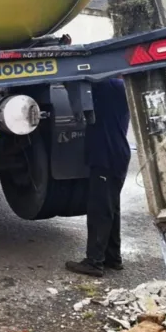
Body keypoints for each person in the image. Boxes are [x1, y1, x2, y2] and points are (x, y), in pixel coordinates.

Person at [66, 78, 132, 278]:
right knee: (111, 209)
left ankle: (94, 262)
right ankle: (113, 257)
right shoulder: (120, 87)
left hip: (107, 157)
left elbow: (85, 77)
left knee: (100, 211)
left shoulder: (111, 85)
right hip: (115, 155)